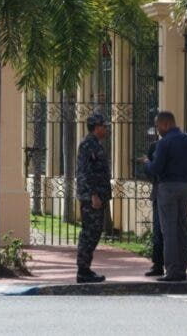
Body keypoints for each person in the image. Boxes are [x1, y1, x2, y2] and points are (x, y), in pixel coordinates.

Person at [141, 111, 187, 282]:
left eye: (157, 126)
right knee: (182, 229)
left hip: (167, 187)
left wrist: (147, 164)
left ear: (165, 124)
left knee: (169, 231)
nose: (157, 130)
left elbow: (156, 169)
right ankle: (182, 269)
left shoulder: (164, 143)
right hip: (186, 188)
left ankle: (171, 271)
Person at [75, 112, 111, 283]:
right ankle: (83, 270)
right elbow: (86, 173)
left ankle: (85, 269)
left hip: (98, 196)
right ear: (96, 127)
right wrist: (94, 195)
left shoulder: (95, 144)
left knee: (94, 232)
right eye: (104, 126)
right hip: (92, 198)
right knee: (89, 233)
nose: (106, 129)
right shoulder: (87, 145)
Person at [144, 140, 164, 277]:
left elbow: (151, 170)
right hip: (162, 191)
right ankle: (159, 264)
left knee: (159, 230)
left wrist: (147, 163)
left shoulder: (158, 146)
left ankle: (159, 265)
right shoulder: (155, 145)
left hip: (162, 191)